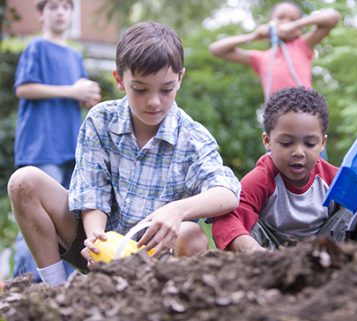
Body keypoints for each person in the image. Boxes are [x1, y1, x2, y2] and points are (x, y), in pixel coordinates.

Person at [8, 21, 241, 286]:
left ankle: (166, 302)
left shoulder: (193, 138)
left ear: (180, 79)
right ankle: (55, 292)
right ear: (119, 80)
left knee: (190, 233)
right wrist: (97, 240)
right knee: (24, 182)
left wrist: (177, 210)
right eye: (140, 89)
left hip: (156, 259)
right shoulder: (100, 120)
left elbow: (228, 191)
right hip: (98, 247)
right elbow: (92, 191)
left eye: (165, 89)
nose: (154, 101)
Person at [12, 0, 101, 281]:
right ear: (40, 14)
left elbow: (70, 94)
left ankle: (62, 287)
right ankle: (24, 286)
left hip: (70, 148)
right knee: (34, 217)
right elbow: (24, 88)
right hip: (41, 147)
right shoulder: (36, 47)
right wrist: (71, 90)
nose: (60, 12)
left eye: (66, 7)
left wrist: (84, 98)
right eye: (53, 7)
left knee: (66, 221)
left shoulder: (75, 56)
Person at [212, 87, 351, 252]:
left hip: (323, 249)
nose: (298, 152)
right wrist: (251, 248)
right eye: (286, 142)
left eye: (310, 143)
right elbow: (227, 219)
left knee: (355, 211)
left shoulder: (334, 179)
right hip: (270, 253)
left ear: (322, 143)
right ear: (267, 141)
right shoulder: (261, 179)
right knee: (236, 219)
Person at [209, 1, 340, 100]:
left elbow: (333, 17)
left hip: (305, 110)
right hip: (277, 116)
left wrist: (295, 25)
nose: (286, 22)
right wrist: (253, 36)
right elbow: (216, 49)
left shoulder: (302, 44)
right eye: (281, 17)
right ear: (270, 22)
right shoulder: (262, 57)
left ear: (299, 29)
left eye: (292, 19)